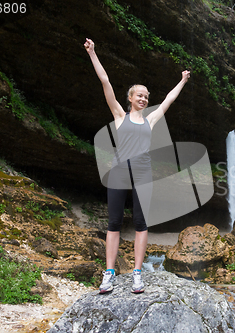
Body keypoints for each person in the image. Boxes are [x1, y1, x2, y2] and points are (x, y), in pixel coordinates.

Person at [84, 38, 190, 294]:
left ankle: (137, 274)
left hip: (143, 172)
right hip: (120, 171)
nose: (143, 98)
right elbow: (105, 82)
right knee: (114, 223)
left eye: (146, 96)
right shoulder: (119, 116)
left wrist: (183, 80)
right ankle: (109, 273)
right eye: (139, 95)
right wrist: (93, 53)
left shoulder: (151, 120)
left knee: (142, 223)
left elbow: (168, 100)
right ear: (130, 98)